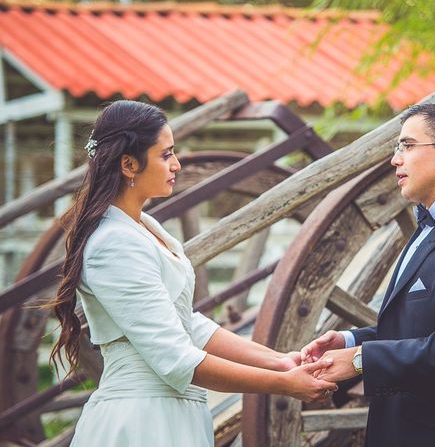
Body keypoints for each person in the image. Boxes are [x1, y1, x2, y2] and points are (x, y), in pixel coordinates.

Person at [49, 100, 336, 447]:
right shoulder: (114, 244)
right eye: (165, 154)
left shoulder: (145, 228)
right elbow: (175, 358)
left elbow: (189, 324)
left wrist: (279, 362)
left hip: (174, 413)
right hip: (142, 421)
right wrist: (284, 385)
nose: (177, 164)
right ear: (129, 164)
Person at [301, 102, 435, 446]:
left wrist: (360, 361)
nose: (395, 159)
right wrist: (351, 341)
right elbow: (418, 328)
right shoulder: (428, 227)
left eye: (407, 146)